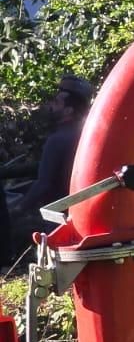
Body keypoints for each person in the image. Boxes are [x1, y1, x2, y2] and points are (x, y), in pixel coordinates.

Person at [7, 74, 93, 250]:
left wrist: (17, 210)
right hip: (84, 216)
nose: (51, 106)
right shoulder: (86, 136)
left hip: (58, 221)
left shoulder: (58, 140)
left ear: (69, 110)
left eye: (57, 103)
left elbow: (44, 184)